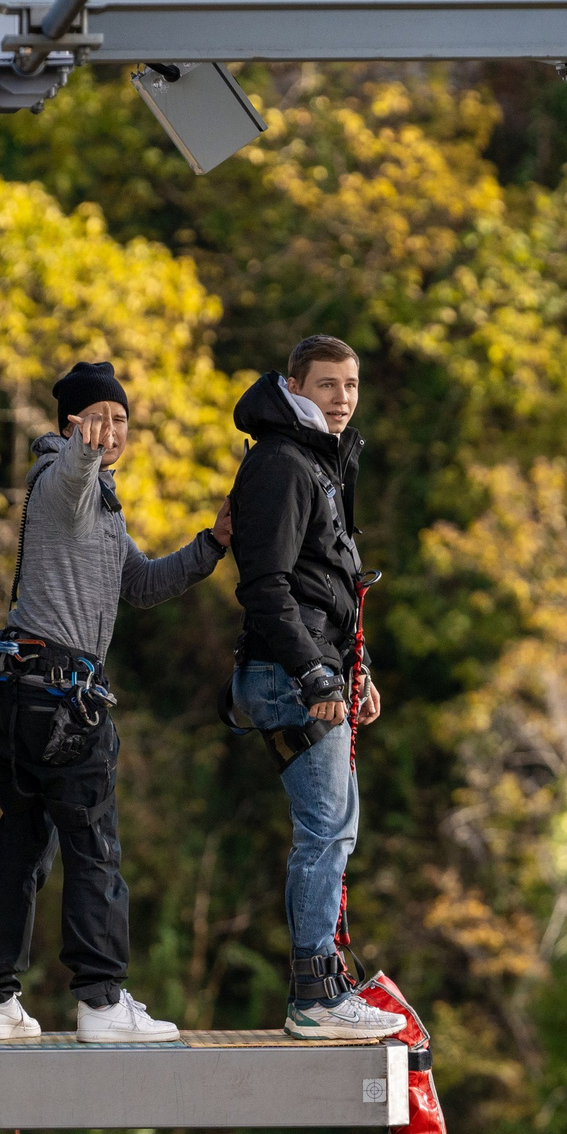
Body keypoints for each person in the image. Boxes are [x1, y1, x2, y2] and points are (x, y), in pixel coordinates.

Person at [0, 359, 232, 1043]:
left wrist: (213, 544)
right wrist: (84, 452)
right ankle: (101, 1000)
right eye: (97, 419)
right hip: (62, 700)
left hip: (26, 696)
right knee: (95, 850)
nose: (110, 430)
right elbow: (72, 478)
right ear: (70, 426)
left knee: (22, 845)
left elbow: (141, 584)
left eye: (118, 419)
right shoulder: (65, 480)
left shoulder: (105, 508)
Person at [227, 336, 406, 1041]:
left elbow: (325, 589)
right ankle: (314, 995)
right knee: (325, 832)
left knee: (339, 830)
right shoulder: (281, 463)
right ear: (294, 385)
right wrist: (315, 673)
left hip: (317, 672)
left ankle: (325, 983)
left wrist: (355, 675)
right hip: (288, 676)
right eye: (326, 384)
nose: (341, 397)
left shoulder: (319, 462)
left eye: (352, 385)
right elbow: (265, 586)